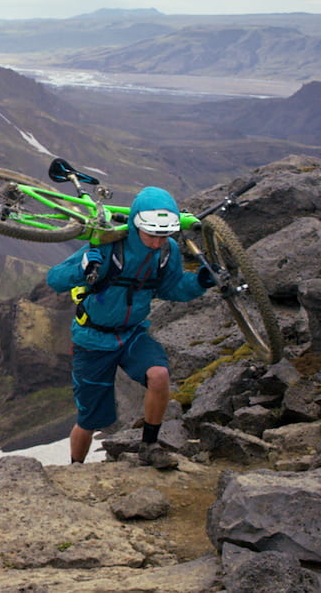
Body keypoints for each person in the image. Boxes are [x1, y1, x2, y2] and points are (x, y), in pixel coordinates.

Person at [46, 186, 216, 469]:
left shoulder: (167, 251)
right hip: (92, 340)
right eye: (151, 234)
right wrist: (82, 269)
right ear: (136, 224)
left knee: (159, 375)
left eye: (164, 235)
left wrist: (199, 283)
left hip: (132, 334)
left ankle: (149, 446)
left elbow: (171, 288)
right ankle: (76, 467)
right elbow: (55, 279)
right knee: (89, 419)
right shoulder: (107, 243)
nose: (156, 242)